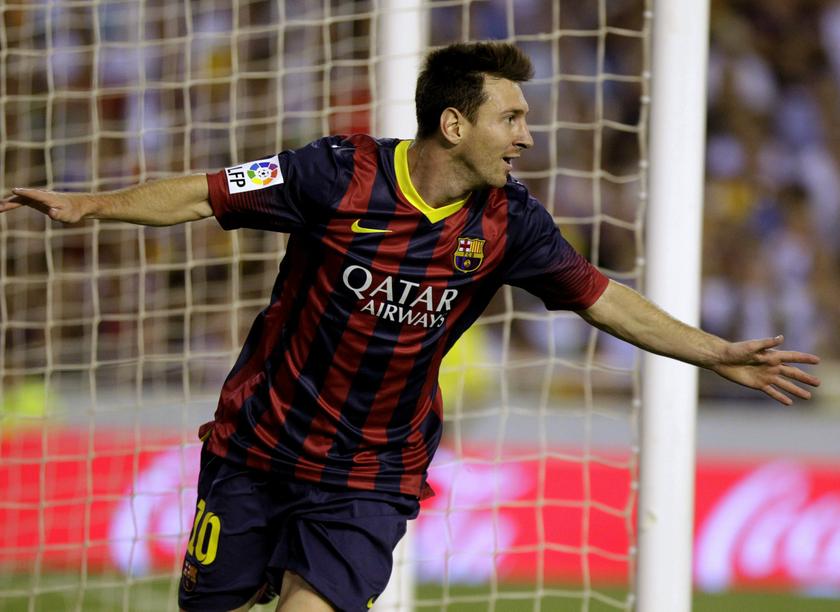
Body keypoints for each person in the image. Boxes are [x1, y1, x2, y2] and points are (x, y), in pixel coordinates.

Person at [0, 41, 821, 612]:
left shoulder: (511, 223)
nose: (528, 138)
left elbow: (603, 296)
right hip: (257, 442)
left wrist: (716, 353)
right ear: (455, 125)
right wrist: (88, 206)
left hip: (372, 470)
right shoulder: (336, 173)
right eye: (512, 119)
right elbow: (204, 192)